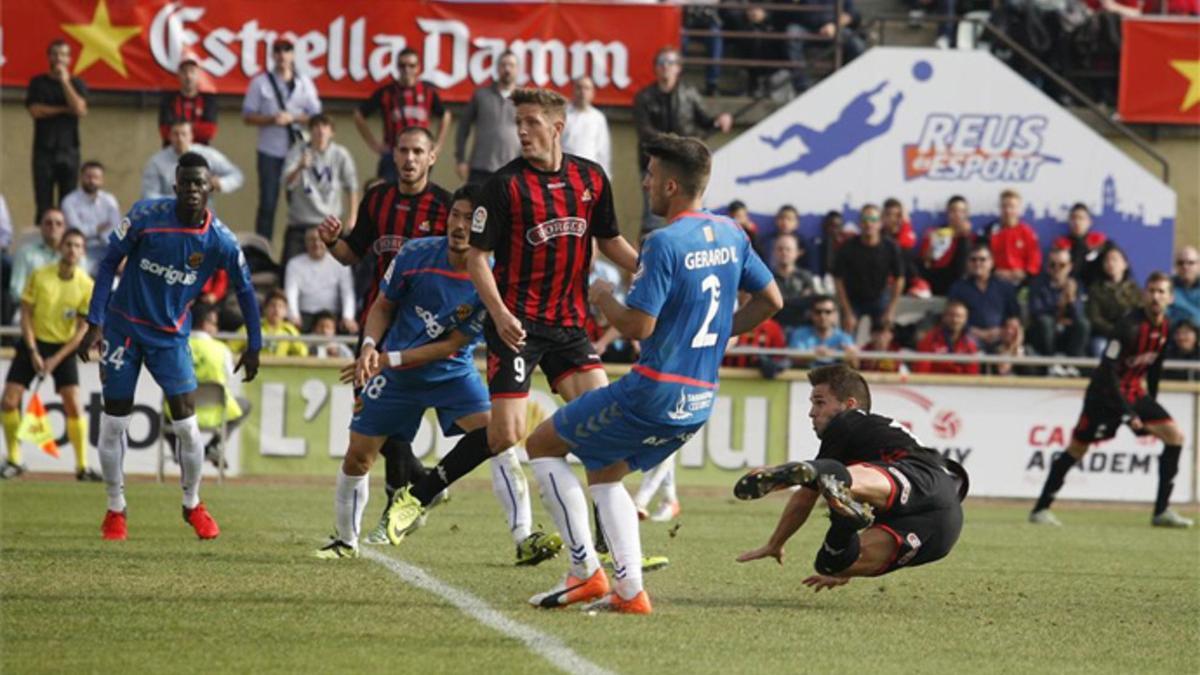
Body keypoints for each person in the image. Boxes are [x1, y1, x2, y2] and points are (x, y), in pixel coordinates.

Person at [429, 132, 780, 614]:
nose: (646, 181)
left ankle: (583, 573)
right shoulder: (732, 235)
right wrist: (720, 335)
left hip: (651, 391)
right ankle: (630, 590)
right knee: (605, 471)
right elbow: (771, 301)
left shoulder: (664, 243)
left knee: (541, 446)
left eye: (652, 174)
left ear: (672, 186)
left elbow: (639, 324)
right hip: (699, 400)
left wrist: (601, 298)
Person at [383, 90, 647, 586]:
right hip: (517, 324)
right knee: (505, 435)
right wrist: (500, 314)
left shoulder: (590, 179)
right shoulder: (501, 187)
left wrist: (650, 266)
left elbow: (608, 239)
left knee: (601, 431)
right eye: (517, 122)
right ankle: (418, 494)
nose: (521, 131)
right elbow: (479, 258)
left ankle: (613, 547)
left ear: (557, 127)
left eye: (530, 122)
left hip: (569, 325)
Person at [315, 185, 564, 564]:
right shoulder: (414, 253)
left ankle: (523, 537)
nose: (460, 226)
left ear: (486, 227)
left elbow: (451, 345)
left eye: (470, 219)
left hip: (450, 372)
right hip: (395, 374)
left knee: (500, 439)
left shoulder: (491, 279)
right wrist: (369, 347)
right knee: (358, 458)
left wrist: (388, 359)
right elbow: (383, 305)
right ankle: (346, 540)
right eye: (455, 216)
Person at [77, 151, 263, 541]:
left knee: (189, 427)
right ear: (175, 185)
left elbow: (246, 290)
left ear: (210, 186)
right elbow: (109, 262)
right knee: (114, 424)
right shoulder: (145, 217)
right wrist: (95, 322)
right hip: (124, 330)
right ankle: (115, 509)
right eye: (187, 182)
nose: (193, 189)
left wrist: (255, 343)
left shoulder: (221, 240)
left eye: (201, 182)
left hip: (170, 337)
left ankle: (192, 503)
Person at [317, 126, 453, 543]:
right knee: (378, 420)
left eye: (418, 151)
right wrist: (333, 241)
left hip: (426, 328)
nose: (409, 159)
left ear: (431, 157)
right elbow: (352, 255)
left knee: (397, 423)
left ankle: (407, 498)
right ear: (394, 156)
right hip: (379, 325)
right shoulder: (378, 199)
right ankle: (418, 489)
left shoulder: (446, 206)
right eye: (403, 151)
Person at [735, 364, 967, 591]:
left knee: (833, 475)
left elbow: (806, 496)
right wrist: (776, 544)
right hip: (943, 528)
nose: (811, 412)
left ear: (850, 405)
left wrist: (776, 542)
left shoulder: (848, 420)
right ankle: (846, 522)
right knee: (832, 564)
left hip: (921, 477)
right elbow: (809, 492)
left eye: (819, 402)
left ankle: (808, 475)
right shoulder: (869, 436)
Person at [1030, 272, 1192, 528]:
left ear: (1170, 298)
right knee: (1077, 448)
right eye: (1151, 291)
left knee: (1176, 437)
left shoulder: (1165, 326)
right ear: (1143, 294)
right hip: (1104, 396)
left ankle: (1162, 512)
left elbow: (1155, 365)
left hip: (1134, 393)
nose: (1156, 297)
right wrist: (1128, 414)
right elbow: (1107, 371)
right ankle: (1041, 509)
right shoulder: (1129, 326)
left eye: (1162, 292)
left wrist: (1151, 401)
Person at [1, 229, 97, 481]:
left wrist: (56, 359)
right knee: (9, 400)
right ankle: (13, 460)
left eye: (78, 245)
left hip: (63, 349)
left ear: (82, 251)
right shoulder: (40, 276)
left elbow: (82, 330)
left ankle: (82, 467)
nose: (72, 249)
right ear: (61, 248)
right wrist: (33, 350)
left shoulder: (86, 285)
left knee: (74, 405)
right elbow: (25, 314)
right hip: (33, 343)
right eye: (68, 244)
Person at [632, 47, 732, 234]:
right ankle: (646, 257)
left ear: (678, 68)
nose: (665, 67)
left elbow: (706, 119)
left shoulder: (689, 93)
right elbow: (645, 132)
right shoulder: (643, 97)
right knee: (652, 214)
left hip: (686, 165)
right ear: (655, 68)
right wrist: (676, 145)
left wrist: (720, 119)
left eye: (670, 63)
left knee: (688, 211)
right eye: (661, 63)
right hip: (654, 165)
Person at [242, 39, 322, 242]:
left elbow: (316, 116)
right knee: (268, 204)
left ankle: (297, 250)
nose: (282, 56)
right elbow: (248, 116)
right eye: (277, 51)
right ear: (272, 55)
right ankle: (262, 252)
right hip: (269, 151)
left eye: (286, 51)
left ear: (293, 55)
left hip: (296, 153)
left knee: (299, 204)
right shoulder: (260, 82)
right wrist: (272, 119)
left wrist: (293, 118)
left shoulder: (304, 82)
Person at [164, 303, 252, 468]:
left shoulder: (175, 347)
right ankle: (215, 445)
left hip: (179, 412)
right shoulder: (221, 349)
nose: (216, 328)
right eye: (214, 323)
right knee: (244, 405)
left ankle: (179, 450)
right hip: (215, 413)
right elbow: (229, 376)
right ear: (206, 323)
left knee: (160, 413)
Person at [354, 48, 450, 182]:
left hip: (419, 154)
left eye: (411, 65)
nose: (407, 69)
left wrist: (438, 146)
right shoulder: (387, 93)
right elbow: (359, 115)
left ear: (418, 68)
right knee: (389, 194)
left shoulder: (428, 92)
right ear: (397, 67)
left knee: (417, 194)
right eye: (402, 65)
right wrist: (374, 145)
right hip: (393, 154)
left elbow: (445, 115)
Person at [281, 114, 359, 263]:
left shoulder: (340, 154)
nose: (320, 131)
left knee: (343, 268)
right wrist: (299, 167)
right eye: (316, 126)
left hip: (330, 224)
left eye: (325, 126)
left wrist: (352, 217)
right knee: (287, 272)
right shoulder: (298, 151)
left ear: (332, 132)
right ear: (310, 131)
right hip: (301, 223)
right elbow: (286, 182)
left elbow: (352, 186)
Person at [27, 39, 89, 220]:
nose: (58, 58)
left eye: (63, 54)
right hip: (43, 150)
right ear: (49, 57)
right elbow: (36, 110)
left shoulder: (77, 83)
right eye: (55, 54)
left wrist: (64, 81)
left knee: (68, 201)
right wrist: (64, 110)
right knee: (43, 201)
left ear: (69, 59)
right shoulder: (38, 82)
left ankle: (65, 241)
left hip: (69, 149)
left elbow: (79, 108)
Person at [832, 203, 904, 336]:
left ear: (880, 223)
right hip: (853, 300)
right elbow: (838, 279)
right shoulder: (847, 247)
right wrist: (847, 311)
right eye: (865, 220)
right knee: (847, 342)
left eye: (873, 220)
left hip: (880, 298)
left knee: (882, 340)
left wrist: (891, 309)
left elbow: (899, 278)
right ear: (859, 223)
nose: (869, 224)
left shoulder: (891, 247)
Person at [454, 51, 521, 185]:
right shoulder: (481, 95)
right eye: (503, 65)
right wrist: (460, 159)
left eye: (511, 65)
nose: (507, 69)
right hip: (481, 168)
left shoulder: (523, 99)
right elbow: (463, 128)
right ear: (497, 68)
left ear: (517, 69)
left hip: (512, 170)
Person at [773, 0, 867, 93]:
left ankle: (854, 83)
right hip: (806, 28)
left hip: (834, 29)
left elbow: (851, 13)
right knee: (792, 33)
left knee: (856, 44)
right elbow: (784, 11)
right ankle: (802, 88)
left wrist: (835, 26)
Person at [142, 121, 244, 200]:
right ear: (169, 137)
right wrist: (179, 201)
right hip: (169, 214)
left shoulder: (208, 155)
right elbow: (149, 194)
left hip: (204, 215)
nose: (180, 139)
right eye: (176, 134)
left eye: (184, 134)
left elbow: (237, 175)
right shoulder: (156, 162)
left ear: (191, 136)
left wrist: (220, 183)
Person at [947, 244, 1020, 351]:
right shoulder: (958, 288)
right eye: (973, 260)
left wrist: (1002, 331)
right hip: (969, 336)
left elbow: (1014, 316)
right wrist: (977, 332)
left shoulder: (1005, 287)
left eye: (982, 260)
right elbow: (951, 317)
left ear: (991, 263)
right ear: (967, 263)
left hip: (1000, 336)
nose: (978, 263)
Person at [284, 227, 356, 333]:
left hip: (332, 315)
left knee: (350, 329)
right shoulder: (294, 264)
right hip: (305, 315)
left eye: (320, 239)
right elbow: (291, 292)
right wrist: (293, 315)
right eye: (312, 239)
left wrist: (348, 317)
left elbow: (348, 293)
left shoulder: (339, 262)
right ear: (306, 242)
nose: (316, 243)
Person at [1027, 249, 1089, 366]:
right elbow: (1036, 311)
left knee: (1083, 325)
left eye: (1062, 265)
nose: (1057, 269)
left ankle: (1074, 365)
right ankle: (1051, 365)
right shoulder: (1038, 285)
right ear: (1047, 266)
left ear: (1070, 266)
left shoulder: (1077, 285)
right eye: (1052, 265)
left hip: (1068, 334)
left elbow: (1079, 314)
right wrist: (1059, 307)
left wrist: (1071, 299)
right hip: (1047, 335)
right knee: (1045, 322)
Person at [60, 161, 121, 272]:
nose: (92, 181)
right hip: (80, 249)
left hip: (106, 247)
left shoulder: (109, 201)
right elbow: (77, 231)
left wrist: (96, 232)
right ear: (81, 177)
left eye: (96, 177)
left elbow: (116, 229)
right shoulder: (69, 201)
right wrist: (98, 229)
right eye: (88, 177)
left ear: (102, 180)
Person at [1085, 246, 1141, 356]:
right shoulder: (1096, 289)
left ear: (1125, 264)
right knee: (1100, 347)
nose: (1111, 263)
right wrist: (1114, 331)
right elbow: (1094, 318)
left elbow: (1140, 313)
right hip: (1105, 335)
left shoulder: (1135, 290)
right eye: (1107, 260)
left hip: (1129, 335)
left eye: (1114, 259)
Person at [919, 195, 974, 296]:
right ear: (948, 213)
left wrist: (963, 235)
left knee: (965, 243)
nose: (957, 215)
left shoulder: (972, 237)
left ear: (966, 215)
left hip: (961, 277)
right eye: (953, 211)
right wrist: (932, 248)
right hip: (938, 276)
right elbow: (925, 261)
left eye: (961, 211)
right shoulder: (934, 233)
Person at [10, 209, 67, 305]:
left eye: (58, 224)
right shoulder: (25, 253)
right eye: (48, 223)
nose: (53, 227)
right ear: (41, 227)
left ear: (64, 228)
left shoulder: (74, 254)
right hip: (30, 309)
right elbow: (16, 289)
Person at [985, 189, 1041, 286]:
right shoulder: (990, 231)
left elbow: (1034, 260)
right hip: (995, 280)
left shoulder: (1027, 232)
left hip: (1021, 281)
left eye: (1012, 206)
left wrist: (1024, 273)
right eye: (1004, 206)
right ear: (1000, 208)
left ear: (1018, 209)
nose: (1008, 210)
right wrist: (994, 271)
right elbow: (982, 256)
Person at [158, 59, 219, 146]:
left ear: (198, 75)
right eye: (184, 72)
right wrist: (196, 128)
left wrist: (178, 130)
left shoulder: (208, 100)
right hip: (172, 150)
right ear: (179, 75)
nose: (188, 76)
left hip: (201, 150)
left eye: (192, 71)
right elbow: (164, 131)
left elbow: (209, 132)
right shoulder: (168, 99)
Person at [562, 76, 612, 177]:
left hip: (589, 173)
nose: (582, 92)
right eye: (579, 88)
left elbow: (603, 151)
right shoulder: (563, 114)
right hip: (565, 172)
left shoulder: (598, 118)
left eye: (587, 88)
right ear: (573, 90)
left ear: (593, 93)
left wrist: (605, 176)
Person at [788, 295, 858, 368]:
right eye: (818, 312)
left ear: (835, 315)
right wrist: (813, 354)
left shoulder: (844, 337)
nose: (823, 316)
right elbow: (794, 360)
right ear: (811, 314)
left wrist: (851, 357)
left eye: (828, 312)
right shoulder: (800, 334)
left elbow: (855, 366)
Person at [1053, 203, 1112, 288]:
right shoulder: (1060, 245)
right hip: (1068, 290)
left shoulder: (1101, 243)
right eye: (1073, 218)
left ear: (1089, 222)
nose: (1077, 222)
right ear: (1069, 221)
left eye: (1081, 218)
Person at [914, 299, 980, 375]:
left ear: (965, 319)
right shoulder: (930, 339)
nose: (955, 320)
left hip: (960, 385)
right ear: (943, 317)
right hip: (934, 384)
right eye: (951, 315)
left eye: (959, 316)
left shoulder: (970, 343)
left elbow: (972, 374)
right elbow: (921, 371)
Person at [772, 233, 818, 330]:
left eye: (788, 249)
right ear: (774, 252)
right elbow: (769, 306)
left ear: (797, 253)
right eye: (780, 249)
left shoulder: (806, 277)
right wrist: (798, 300)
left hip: (802, 328)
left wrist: (781, 302)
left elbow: (810, 303)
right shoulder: (768, 277)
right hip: (775, 327)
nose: (784, 252)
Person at [1168, 246, 1200, 329]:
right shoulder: (1166, 287)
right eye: (1180, 263)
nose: (1185, 267)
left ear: (1198, 265)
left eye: (1191, 263)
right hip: (1175, 336)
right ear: (1175, 266)